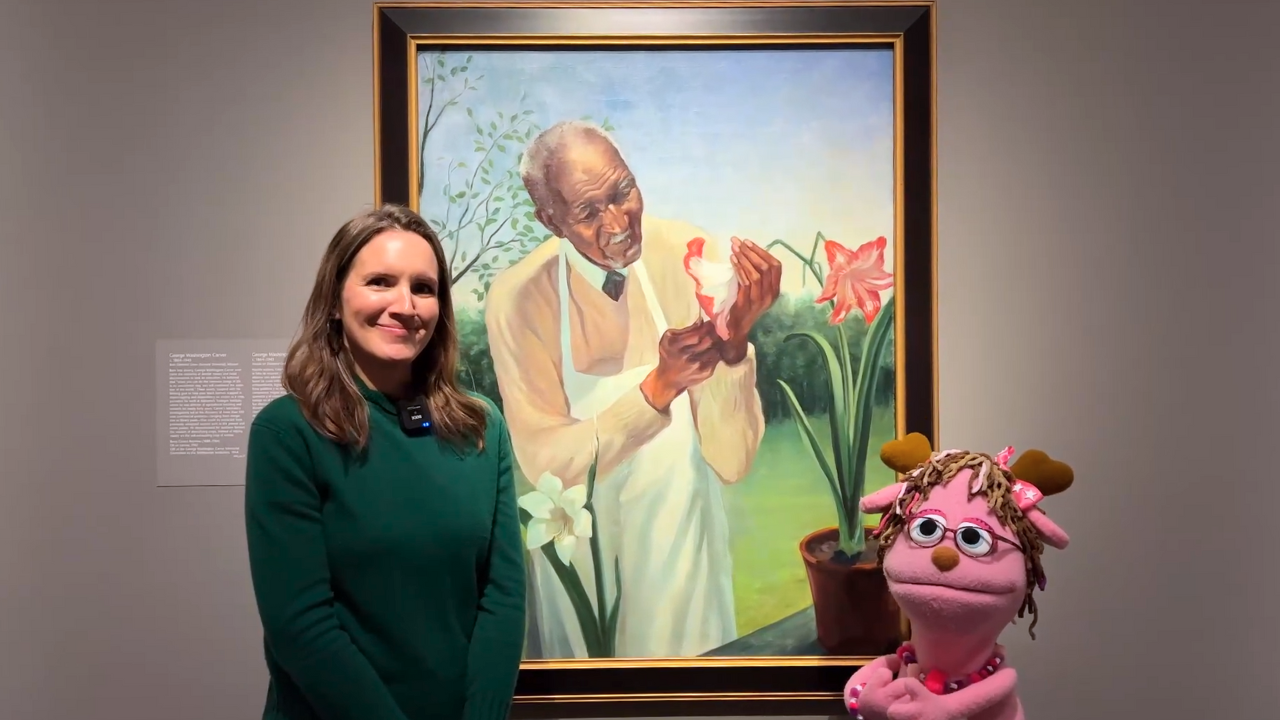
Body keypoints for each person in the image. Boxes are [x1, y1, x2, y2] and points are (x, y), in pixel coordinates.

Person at [484, 120, 781, 659]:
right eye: (589, 212)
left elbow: (732, 461)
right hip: (585, 570)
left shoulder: (684, 255)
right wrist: (659, 387)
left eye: (623, 192)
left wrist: (733, 344)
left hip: (684, 554)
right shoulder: (518, 298)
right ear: (549, 220)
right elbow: (545, 461)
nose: (619, 223)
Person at [243, 204, 526, 720]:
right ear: (334, 300)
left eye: (423, 287)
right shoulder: (288, 432)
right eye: (379, 282)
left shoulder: (482, 430)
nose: (405, 305)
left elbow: (503, 598)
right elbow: (301, 625)